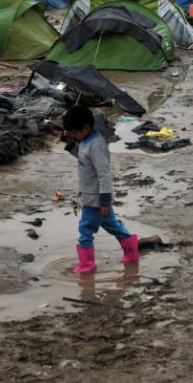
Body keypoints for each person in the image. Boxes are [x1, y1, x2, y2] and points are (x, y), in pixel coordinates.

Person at [61, 106, 139, 274]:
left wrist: (104, 202)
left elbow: (104, 176)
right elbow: (84, 160)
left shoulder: (97, 146)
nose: (73, 136)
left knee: (85, 231)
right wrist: (70, 144)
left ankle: (87, 265)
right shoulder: (85, 141)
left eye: (74, 133)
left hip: (95, 200)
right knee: (113, 226)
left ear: (87, 128)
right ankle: (131, 253)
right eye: (70, 133)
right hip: (91, 197)